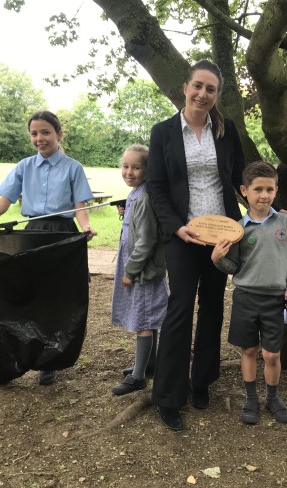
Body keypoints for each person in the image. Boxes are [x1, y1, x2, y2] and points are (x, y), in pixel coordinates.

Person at [0, 110, 97, 388]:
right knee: (20, 299)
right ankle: (2, 363)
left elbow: (81, 206)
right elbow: (3, 204)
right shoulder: (24, 166)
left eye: (45, 132)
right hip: (29, 236)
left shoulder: (73, 167)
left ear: (58, 134)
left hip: (61, 238)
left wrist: (86, 227)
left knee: (54, 301)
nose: (39, 138)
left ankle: (48, 362)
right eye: (34, 133)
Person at [147, 59, 245, 430]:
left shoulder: (226, 129)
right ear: (185, 88)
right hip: (184, 234)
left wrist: (264, 209)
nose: (203, 94)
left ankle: (201, 382)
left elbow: (238, 178)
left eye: (211, 89)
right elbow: (156, 188)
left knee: (213, 307)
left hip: (222, 233)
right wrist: (175, 228)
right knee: (180, 308)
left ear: (217, 95)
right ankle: (168, 396)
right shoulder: (164, 132)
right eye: (198, 86)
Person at [211, 161, 287, 425]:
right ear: (245, 191)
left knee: (272, 354)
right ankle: (251, 398)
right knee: (249, 350)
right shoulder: (238, 229)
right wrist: (218, 259)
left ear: (276, 190)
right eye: (258, 189)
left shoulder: (285, 222)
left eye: (270, 189)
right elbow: (233, 266)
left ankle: (272, 398)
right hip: (246, 298)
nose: (264, 195)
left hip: (276, 300)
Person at [110, 145, 167, 395]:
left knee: (144, 320)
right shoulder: (137, 194)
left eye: (136, 167)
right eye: (125, 166)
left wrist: (130, 271)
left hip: (142, 270)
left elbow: (146, 241)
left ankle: (139, 376)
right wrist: (126, 212)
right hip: (138, 266)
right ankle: (149, 363)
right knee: (147, 318)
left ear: (147, 169)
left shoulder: (144, 197)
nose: (129, 172)